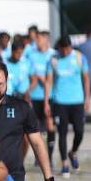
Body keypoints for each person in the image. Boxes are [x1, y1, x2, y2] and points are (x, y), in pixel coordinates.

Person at [45, 36, 91, 178]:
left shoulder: (79, 57)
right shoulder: (53, 60)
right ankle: (64, 163)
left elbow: (86, 78)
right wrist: (47, 101)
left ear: (71, 47)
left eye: (67, 48)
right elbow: (49, 81)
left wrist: (87, 98)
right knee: (62, 132)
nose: (65, 51)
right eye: (62, 49)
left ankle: (73, 152)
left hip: (77, 101)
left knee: (79, 131)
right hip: (60, 102)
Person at [26, 31, 56, 161]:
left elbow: (55, 77)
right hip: (34, 96)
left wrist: (45, 80)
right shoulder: (31, 55)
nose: (36, 41)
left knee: (50, 125)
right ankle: (38, 157)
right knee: (35, 128)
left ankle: (49, 155)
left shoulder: (53, 55)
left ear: (46, 39)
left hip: (49, 96)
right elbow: (28, 73)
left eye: (39, 38)